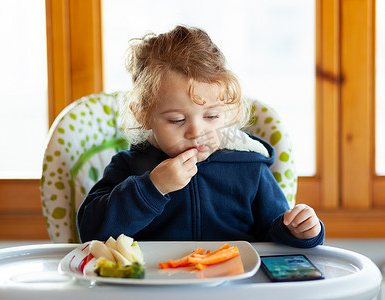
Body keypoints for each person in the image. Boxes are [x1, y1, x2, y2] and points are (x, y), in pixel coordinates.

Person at [77, 25, 324, 248]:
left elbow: (274, 236)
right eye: (177, 120)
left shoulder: (250, 167)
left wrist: (299, 230)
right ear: (144, 115)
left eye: (212, 116)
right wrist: (153, 187)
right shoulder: (129, 166)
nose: (197, 131)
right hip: (155, 286)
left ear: (226, 109)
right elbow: (91, 233)